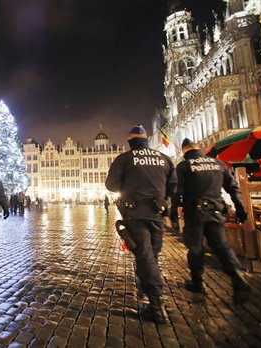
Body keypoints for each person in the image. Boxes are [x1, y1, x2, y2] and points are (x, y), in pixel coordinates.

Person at [106, 124, 177, 324]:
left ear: (130, 142)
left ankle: (156, 306)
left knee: (144, 255)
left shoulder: (125, 159)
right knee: (151, 255)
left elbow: (111, 185)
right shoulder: (164, 158)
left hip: (135, 213)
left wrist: (130, 185)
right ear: (146, 140)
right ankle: (145, 291)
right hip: (156, 214)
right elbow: (173, 186)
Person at [170, 138, 250, 304]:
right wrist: (240, 208)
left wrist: (172, 213)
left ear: (185, 152)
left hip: (195, 213)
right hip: (216, 211)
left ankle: (198, 282)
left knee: (195, 247)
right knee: (221, 246)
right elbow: (233, 187)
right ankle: (237, 276)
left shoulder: (184, 166)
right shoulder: (218, 164)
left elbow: (177, 192)